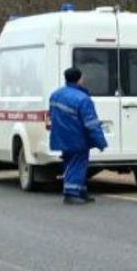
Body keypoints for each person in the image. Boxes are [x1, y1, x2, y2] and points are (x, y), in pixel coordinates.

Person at [48, 67, 108, 205]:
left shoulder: (55, 95)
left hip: (61, 136)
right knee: (78, 164)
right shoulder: (83, 98)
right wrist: (100, 141)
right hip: (77, 137)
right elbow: (91, 123)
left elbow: (52, 115)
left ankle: (80, 191)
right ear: (80, 79)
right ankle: (71, 193)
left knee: (70, 164)